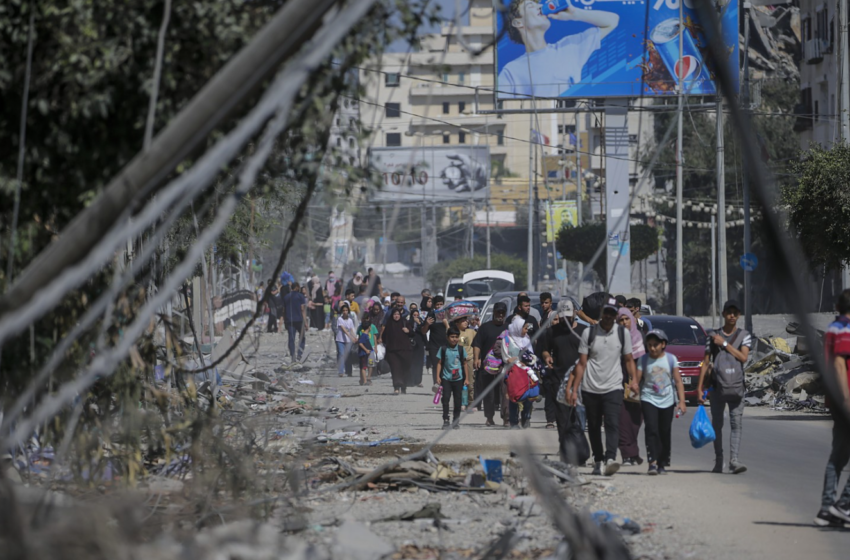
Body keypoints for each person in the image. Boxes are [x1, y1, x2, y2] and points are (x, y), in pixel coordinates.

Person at [566, 298, 636, 476]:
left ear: (615, 316)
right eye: (606, 313)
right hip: (590, 387)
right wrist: (574, 390)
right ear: (601, 314)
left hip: (614, 387)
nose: (608, 317)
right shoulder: (589, 334)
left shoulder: (622, 333)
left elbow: (628, 360)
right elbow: (581, 364)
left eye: (612, 314)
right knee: (595, 426)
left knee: (613, 423)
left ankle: (610, 458)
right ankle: (598, 460)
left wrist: (634, 380)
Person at [499, 0, 619, 98]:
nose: (540, 6)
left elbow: (612, 21)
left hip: (571, 122)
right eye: (531, 6)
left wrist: (575, 14)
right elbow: (503, 106)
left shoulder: (569, 47)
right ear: (518, 22)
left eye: (539, 4)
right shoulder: (511, 71)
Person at [696, 300, 752, 474]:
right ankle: (719, 459)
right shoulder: (712, 335)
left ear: (739, 315)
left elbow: (743, 358)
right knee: (717, 425)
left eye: (735, 313)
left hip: (736, 387)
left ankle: (734, 460)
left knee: (736, 424)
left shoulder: (745, 335)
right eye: (729, 312)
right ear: (723, 314)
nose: (732, 316)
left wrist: (725, 344)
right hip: (716, 386)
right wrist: (699, 388)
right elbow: (705, 363)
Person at [816, 290, 850, 526]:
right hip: (846, 401)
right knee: (838, 456)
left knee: (837, 456)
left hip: (835, 401)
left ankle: (827, 509)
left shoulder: (832, 328)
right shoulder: (845, 329)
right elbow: (839, 364)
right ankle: (844, 505)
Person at [540, 300, 587, 463]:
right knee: (562, 419)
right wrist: (547, 357)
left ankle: (579, 451)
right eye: (562, 318)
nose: (564, 321)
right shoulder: (552, 332)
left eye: (568, 317)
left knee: (579, 419)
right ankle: (565, 451)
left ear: (574, 314)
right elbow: (545, 349)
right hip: (558, 380)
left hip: (581, 382)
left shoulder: (583, 332)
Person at [636, 329, 687, 476]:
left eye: (656, 345)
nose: (652, 348)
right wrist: (633, 385)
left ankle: (662, 462)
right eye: (650, 345)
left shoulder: (671, 359)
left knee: (664, 431)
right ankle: (652, 462)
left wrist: (682, 401)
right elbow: (637, 379)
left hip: (667, 400)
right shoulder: (643, 359)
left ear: (663, 344)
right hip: (648, 398)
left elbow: (678, 381)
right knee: (651, 428)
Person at [473, 302, 509, 426]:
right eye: (498, 312)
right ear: (493, 312)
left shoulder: (509, 328)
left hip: (504, 365)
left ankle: (506, 418)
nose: (500, 314)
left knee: (505, 392)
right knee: (489, 393)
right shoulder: (485, 327)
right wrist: (476, 359)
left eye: (502, 312)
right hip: (487, 365)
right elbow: (477, 344)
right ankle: (489, 417)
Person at [617, 307, 646, 467]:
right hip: (619, 383)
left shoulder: (641, 337)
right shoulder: (615, 338)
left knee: (636, 419)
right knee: (623, 419)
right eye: (621, 320)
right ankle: (627, 455)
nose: (624, 323)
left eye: (626, 319)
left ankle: (632, 452)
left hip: (639, 384)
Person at [501, 316, 534, 428]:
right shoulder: (506, 340)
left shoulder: (527, 339)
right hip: (512, 373)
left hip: (525, 373)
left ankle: (526, 417)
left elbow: (532, 356)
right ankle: (514, 421)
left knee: (527, 396)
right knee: (513, 397)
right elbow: (506, 358)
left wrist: (529, 362)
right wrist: (517, 361)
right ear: (517, 328)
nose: (526, 330)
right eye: (524, 328)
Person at [436, 327, 471, 429]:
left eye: (456, 337)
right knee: (446, 399)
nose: (454, 339)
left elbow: (465, 364)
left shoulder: (461, 349)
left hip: (458, 379)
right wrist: (437, 376)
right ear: (447, 337)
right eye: (452, 337)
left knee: (458, 400)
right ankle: (446, 419)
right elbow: (439, 363)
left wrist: (467, 378)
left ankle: (456, 420)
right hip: (446, 378)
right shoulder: (443, 349)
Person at [536, 292, 557, 429]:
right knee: (549, 389)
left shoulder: (553, 315)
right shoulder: (543, 317)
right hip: (544, 357)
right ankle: (550, 419)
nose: (544, 305)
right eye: (542, 303)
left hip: (556, 359)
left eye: (546, 303)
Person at [381, 308, 413, 394]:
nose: (396, 316)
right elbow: (384, 337)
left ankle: (404, 387)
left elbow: (412, 334)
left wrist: (408, 331)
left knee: (405, 369)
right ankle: (396, 387)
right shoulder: (389, 324)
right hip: (392, 351)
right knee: (395, 369)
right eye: (395, 314)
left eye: (398, 314)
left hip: (405, 351)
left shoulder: (405, 322)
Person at [422, 295, 449, 385]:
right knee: (436, 365)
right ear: (434, 305)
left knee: (445, 365)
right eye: (437, 304)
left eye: (441, 304)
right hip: (434, 345)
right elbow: (423, 331)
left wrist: (446, 323)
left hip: (446, 345)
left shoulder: (448, 315)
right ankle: (437, 384)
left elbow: (452, 331)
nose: (439, 306)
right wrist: (427, 324)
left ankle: (445, 384)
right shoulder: (431, 315)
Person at [455, 315, 477, 411]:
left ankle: (470, 403)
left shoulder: (471, 332)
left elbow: (478, 341)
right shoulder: (454, 333)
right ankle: (460, 402)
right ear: (457, 323)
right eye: (463, 321)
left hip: (469, 360)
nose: (465, 322)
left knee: (470, 383)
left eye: (466, 321)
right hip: (457, 361)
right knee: (458, 382)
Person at [282, 283, 307, 360]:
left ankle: (293, 355)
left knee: (291, 339)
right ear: (297, 287)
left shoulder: (286, 297)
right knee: (302, 337)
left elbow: (283, 310)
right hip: (299, 320)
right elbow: (302, 309)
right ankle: (299, 354)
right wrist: (305, 322)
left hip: (289, 321)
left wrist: (284, 320)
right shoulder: (300, 296)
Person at [335, 304, 356, 377]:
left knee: (348, 356)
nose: (345, 312)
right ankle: (341, 371)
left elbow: (351, 330)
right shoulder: (339, 319)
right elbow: (344, 330)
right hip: (340, 340)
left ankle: (349, 371)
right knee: (341, 354)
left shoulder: (350, 320)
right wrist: (350, 336)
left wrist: (355, 337)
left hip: (348, 341)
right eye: (343, 310)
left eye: (346, 310)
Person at [409, 309, 427, 388]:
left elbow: (424, 333)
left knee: (419, 363)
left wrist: (419, 323)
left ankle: (418, 381)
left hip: (420, 344)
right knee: (412, 363)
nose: (416, 317)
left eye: (417, 315)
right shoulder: (409, 323)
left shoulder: (421, 323)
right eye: (414, 315)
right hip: (411, 344)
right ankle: (411, 380)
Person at [356, 320, 374, 387]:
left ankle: (361, 380)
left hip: (364, 353)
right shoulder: (364, 335)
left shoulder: (365, 335)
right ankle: (365, 381)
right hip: (363, 354)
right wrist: (366, 350)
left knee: (362, 367)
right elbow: (360, 343)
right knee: (363, 367)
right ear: (369, 327)